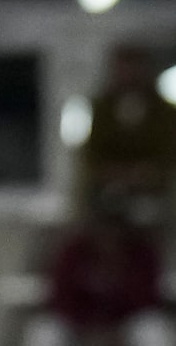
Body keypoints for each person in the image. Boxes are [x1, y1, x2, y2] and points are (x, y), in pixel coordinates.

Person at [17, 198, 173, 346]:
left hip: (125, 333)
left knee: (154, 329)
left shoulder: (141, 253)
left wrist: (115, 330)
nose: (109, 234)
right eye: (103, 226)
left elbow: (148, 301)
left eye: (115, 227)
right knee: (45, 331)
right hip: (79, 332)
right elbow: (59, 300)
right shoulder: (73, 251)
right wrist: (87, 331)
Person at [74, 42, 176, 218]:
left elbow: (169, 151)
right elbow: (92, 155)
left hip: (158, 190)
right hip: (107, 190)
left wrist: (148, 173)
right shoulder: (102, 109)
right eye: (124, 68)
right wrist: (115, 174)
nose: (130, 75)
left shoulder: (164, 111)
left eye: (135, 68)